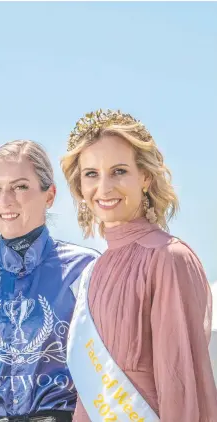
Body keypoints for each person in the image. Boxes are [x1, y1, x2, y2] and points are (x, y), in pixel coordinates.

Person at [61, 109, 217, 422]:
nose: (104, 188)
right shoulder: (95, 268)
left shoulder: (169, 258)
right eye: (91, 174)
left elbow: (181, 382)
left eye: (119, 171)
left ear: (145, 177)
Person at [0, 140, 99, 422]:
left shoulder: (84, 270)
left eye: (20, 186)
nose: (5, 200)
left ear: (49, 195)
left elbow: (104, 376)